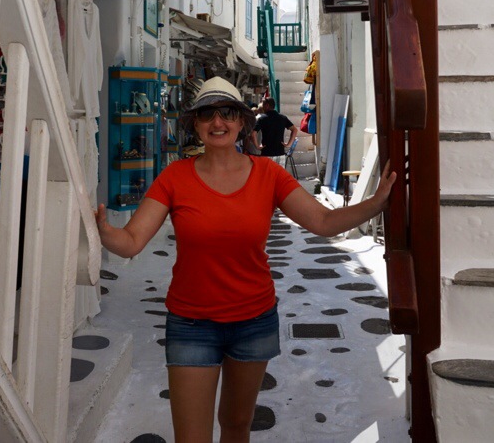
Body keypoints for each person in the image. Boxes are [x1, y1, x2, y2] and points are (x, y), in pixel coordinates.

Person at [94, 77, 396, 443]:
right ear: (195, 124)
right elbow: (131, 242)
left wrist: (376, 203)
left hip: (253, 321)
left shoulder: (268, 174)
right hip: (192, 324)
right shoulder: (175, 177)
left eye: (227, 113)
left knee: (237, 426)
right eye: (207, 114)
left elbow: (323, 221)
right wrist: (103, 231)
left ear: (241, 122)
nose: (217, 122)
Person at [253, 98, 296, 165]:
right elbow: (294, 130)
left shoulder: (262, 119)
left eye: (263, 104)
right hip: (280, 153)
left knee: (266, 171)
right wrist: (289, 144)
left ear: (267, 105)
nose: (262, 107)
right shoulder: (283, 118)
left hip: (266, 153)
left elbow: (253, 133)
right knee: (279, 171)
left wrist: (257, 146)